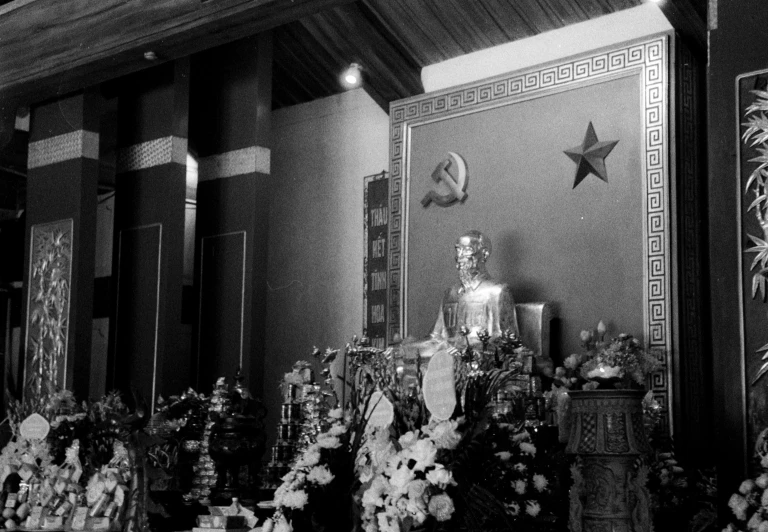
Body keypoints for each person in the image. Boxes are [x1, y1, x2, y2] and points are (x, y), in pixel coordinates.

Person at [430, 230, 519, 349]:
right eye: (458, 250)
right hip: (447, 356)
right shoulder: (450, 293)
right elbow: (436, 337)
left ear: (484, 254)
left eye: (467, 250)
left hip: (480, 359)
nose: (459, 257)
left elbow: (506, 341)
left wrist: (462, 349)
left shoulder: (497, 292)